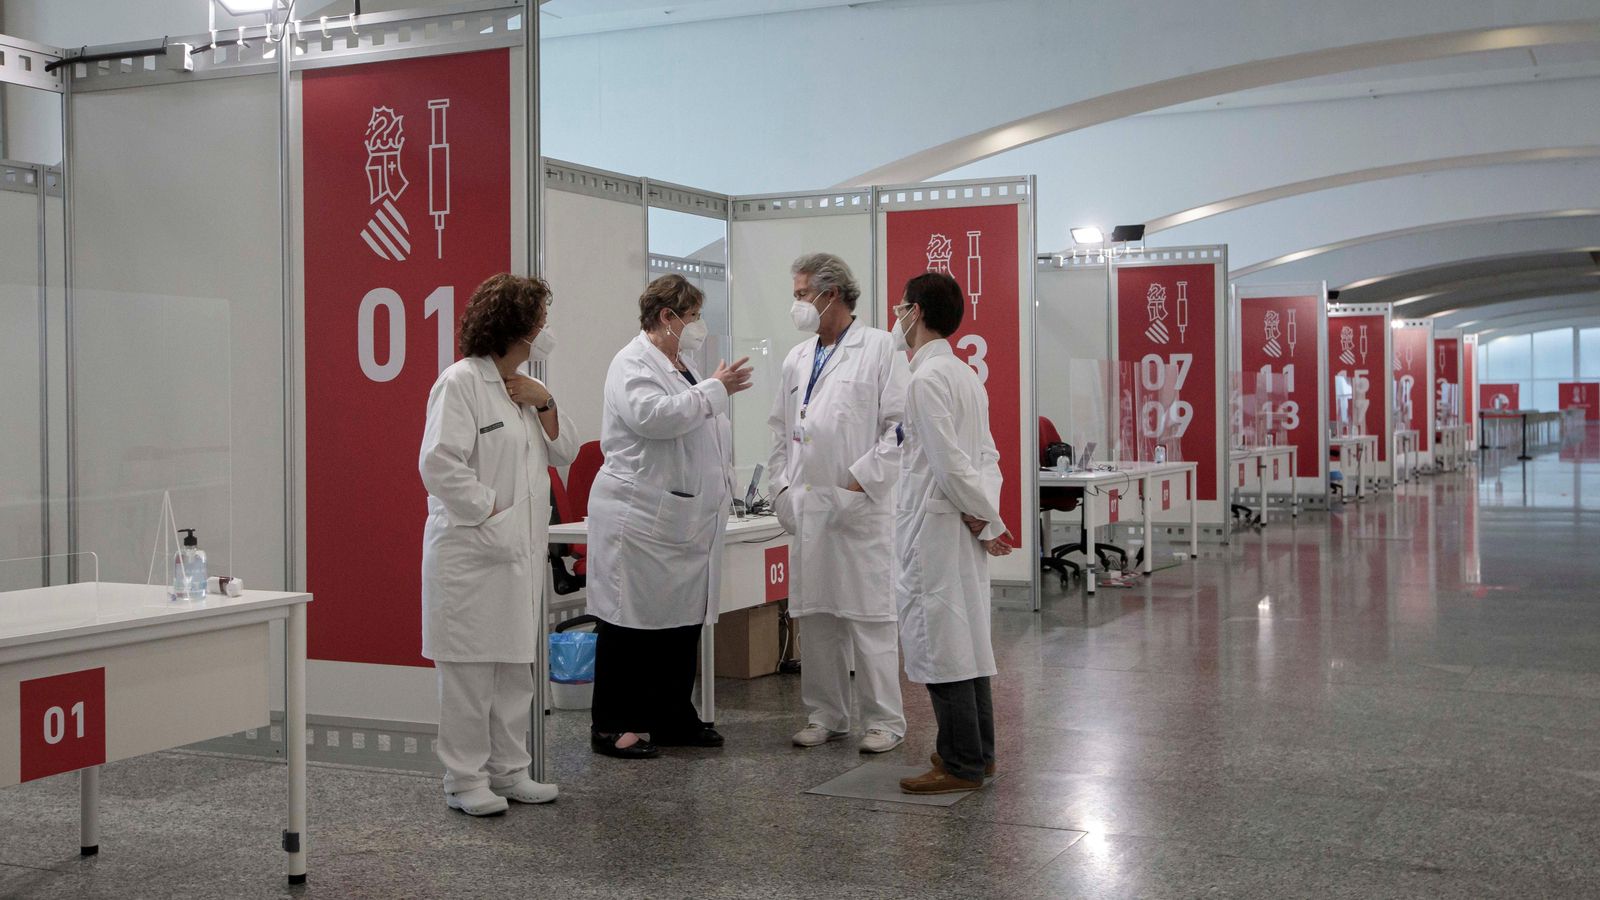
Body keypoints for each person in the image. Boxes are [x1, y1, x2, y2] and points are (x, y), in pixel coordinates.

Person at [419, 273, 578, 816]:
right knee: (468, 672)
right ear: (515, 327)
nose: (544, 331)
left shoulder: (523, 390)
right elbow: (439, 463)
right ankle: (464, 779)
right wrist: (491, 512)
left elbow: (567, 452)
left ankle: (510, 771)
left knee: (513, 668)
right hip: (473, 551)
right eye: (539, 322)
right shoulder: (461, 382)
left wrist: (547, 398)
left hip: (515, 555)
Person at [586, 274, 754, 759]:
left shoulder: (680, 363)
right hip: (639, 518)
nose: (698, 325)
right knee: (628, 623)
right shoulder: (631, 363)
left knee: (680, 624)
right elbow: (653, 417)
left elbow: (698, 419)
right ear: (668, 317)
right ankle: (613, 725)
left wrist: (711, 389)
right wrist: (713, 392)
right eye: (694, 315)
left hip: (682, 517)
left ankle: (671, 715)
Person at [768, 253, 909, 754]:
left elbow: (898, 427)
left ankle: (884, 720)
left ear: (832, 294)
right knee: (817, 615)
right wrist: (780, 489)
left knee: (869, 618)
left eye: (803, 293)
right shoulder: (796, 358)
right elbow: (780, 433)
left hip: (857, 505)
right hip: (807, 507)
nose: (798, 303)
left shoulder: (879, 349)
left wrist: (859, 482)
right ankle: (826, 712)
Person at [890, 271, 1013, 795]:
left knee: (943, 644)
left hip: (935, 528)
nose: (896, 315)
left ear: (916, 312)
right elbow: (987, 460)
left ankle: (959, 761)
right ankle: (979, 754)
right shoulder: (965, 377)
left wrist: (983, 518)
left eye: (900, 306)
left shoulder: (924, 380)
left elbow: (948, 464)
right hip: (958, 523)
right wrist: (986, 515)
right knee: (967, 641)